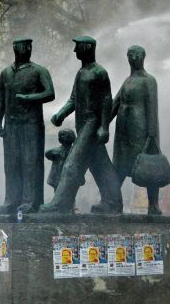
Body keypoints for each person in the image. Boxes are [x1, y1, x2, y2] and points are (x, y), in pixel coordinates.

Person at [41, 36, 122, 213]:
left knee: (72, 163)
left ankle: (61, 202)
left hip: (91, 123)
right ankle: (113, 202)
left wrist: (104, 127)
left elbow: (107, 100)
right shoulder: (81, 73)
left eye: (77, 47)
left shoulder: (99, 72)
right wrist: (60, 115)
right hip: (82, 123)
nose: (75, 51)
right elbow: (73, 99)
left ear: (87, 47)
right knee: (100, 164)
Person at [0, 36, 55, 214]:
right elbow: (0, 100)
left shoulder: (39, 71)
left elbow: (50, 93)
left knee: (30, 162)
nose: (28, 49)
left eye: (29, 46)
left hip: (31, 124)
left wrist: (28, 98)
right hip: (11, 125)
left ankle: (31, 201)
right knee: (11, 163)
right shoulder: (6, 73)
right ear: (15, 48)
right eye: (24, 46)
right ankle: (11, 200)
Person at [110, 45, 162, 215]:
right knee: (119, 167)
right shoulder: (127, 81)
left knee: (148, 168)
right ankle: (113, 201)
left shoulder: (149, 80)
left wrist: (152, 135)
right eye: (132, 55)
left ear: (143, 58)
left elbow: (152, 108)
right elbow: (115, 104)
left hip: (141, 131)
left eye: (138, 55)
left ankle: (153, 205)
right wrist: (102, 125)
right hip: (123, 131)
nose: (135, 58)